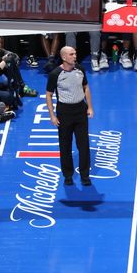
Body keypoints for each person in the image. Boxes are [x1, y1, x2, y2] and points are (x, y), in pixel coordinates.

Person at [45, 46, 94, 187]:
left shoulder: (80, 69)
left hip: (80, 111)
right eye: (71, 54)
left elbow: (86, 87)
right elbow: (49, 95)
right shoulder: (55, 74)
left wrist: (90, 106)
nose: (75, 56)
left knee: (83, 145)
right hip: (64, 112)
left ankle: (85, 175)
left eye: (75, 53)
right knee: (65, 146)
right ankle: (68, 175)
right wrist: (52, 115)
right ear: (64, 57)